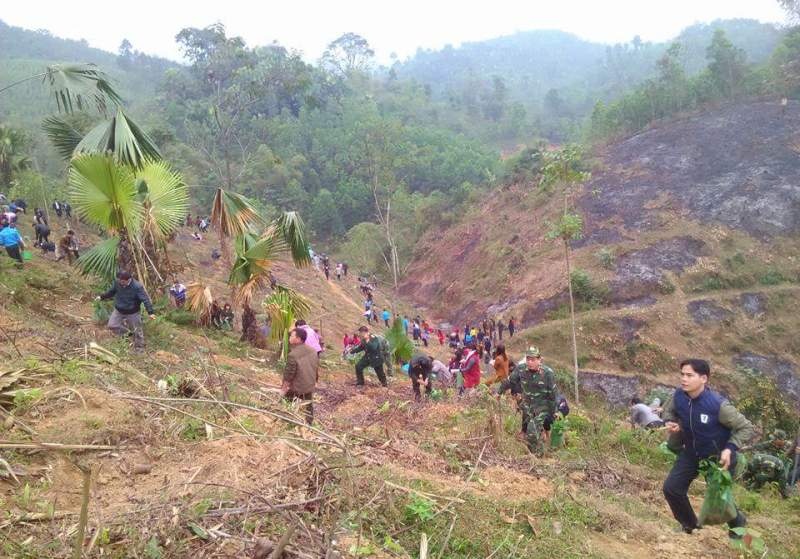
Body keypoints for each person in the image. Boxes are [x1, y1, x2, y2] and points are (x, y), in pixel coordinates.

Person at [662, 358, 753, 537]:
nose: (684, 379)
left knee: (719, 499)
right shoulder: (678, 396)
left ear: (703, 379)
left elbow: (746, 427)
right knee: (672, 488)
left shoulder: (717, 405)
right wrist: (671, 422)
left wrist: (730, 448)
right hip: (691, 452)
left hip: (718, 457)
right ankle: (689, 525)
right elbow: (668, 411)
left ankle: (738, 526)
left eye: (689, 375)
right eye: (682, 375)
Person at [496, 346, 558, 455]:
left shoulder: (548, 373)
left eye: (533, 359)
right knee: (528, 433)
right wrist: (499, 392)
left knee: (532, 431)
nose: (530, 362)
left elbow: (552, 396)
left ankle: (538, 456)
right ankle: (536, 452)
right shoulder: (521, 369)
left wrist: (552, 414)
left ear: (539, 360)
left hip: (541, 407)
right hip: (527, 406)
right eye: (528, 359)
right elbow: (510, 381)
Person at [96, 270, 155, 352]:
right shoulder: (117, 283)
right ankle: (127, 333)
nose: (120, 282)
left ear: (128, 280)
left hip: (132, 312)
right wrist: (102, 297)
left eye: (122, 281)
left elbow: (145, 299)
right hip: (119, 310)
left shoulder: (137, 287)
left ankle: (139, 348)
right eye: (119, 280)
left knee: (137, 331)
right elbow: (111, 292)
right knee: (112, 325)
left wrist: (150, 312)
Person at [281, 327, 319, 425]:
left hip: (298, 388)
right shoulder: (313, 351)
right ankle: (309, 423)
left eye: (292, 336)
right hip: (310, 385)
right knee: (308, 405)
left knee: (286, 401)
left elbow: (289, 375)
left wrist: (283, 389)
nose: (289, 338)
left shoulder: (293, 355)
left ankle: (285, 420)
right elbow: (316, 368)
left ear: (298, 339)